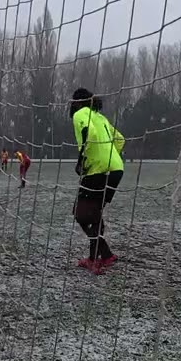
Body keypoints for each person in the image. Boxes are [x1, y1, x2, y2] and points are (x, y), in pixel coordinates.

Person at [69, 88, 125, 274]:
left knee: (81, 214)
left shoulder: (80, 114)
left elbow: (88, 133)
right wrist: (110, 157)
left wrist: (81, 161)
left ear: (77, 102)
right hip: (116, 169)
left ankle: (94, 260)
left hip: (98, 170)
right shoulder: (101, 118)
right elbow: (120, 139)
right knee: (94, 213)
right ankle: (106, 255)